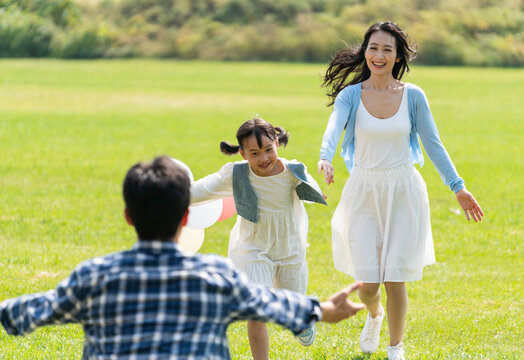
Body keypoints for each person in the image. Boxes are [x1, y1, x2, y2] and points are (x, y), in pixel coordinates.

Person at [0, 155, 365, 359]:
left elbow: (23, 314)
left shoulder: (94, 277)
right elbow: (270, 304)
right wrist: (322, 311)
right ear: (187, 216)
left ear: (129, 217)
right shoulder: (215, 276)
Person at [317, 21, 484, 360]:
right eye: (373, 48)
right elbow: (334, 126)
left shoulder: (413, 96)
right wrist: (325, 156)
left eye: (387, 49)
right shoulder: (352, 95)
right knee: (367, 285)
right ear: (365, 52)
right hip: (364, 191)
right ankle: (374, 314)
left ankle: (396, 348)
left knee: (395, 278)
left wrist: (458, 187)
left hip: (403, 190)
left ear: (397, 57)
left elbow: (434, 145)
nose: (379, 55)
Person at [190, 118, 327, 360]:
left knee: (293, 305)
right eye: (254, 153)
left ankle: (303, 319)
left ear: (276, 143)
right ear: (242, 154)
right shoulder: (236, 174)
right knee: (255, 309)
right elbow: (202, 189)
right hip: (252, 248)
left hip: (289, 248)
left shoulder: (292, 171)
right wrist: (169, 194)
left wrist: (317, 189)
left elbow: (310, 185)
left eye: (268, 150)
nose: (263, 158)